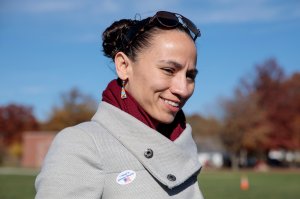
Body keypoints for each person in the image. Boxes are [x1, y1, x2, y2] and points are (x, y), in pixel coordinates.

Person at [35, 10, 204, 199]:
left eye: (190, 76)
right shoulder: (83, 144)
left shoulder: (181, 142)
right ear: (124, 66)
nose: (183, 89)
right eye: (168, 70)